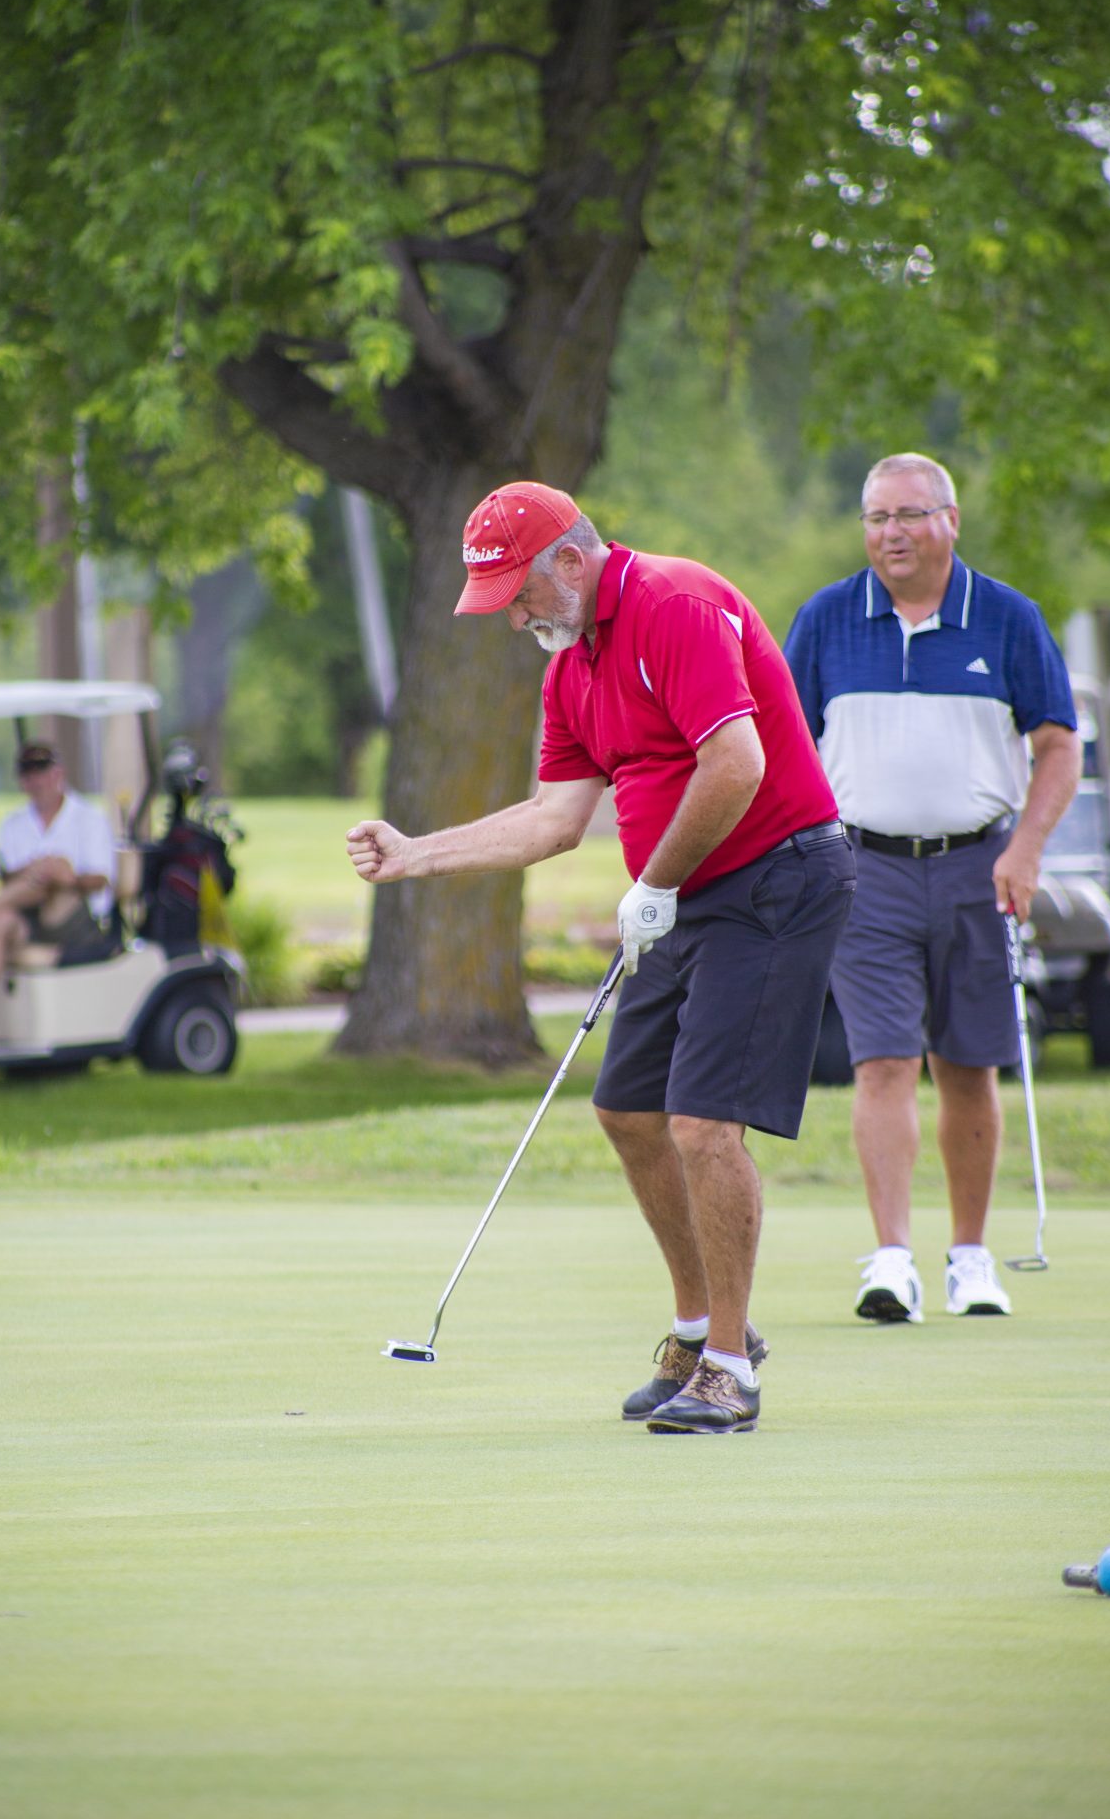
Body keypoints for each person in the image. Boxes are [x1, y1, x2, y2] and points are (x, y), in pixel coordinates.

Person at [347, 482, 855, 1435]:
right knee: (628, 1111)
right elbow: (552, 820)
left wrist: (655, 883)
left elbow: (736, 766)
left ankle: (733, 1369)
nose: (514, 618)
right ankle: (700, 1327)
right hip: (682, 896)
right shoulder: (570, 670)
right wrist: (416, 854)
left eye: (520, 595)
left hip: (777, 880)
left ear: (570, 563)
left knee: (704, 1127)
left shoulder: (673, 606)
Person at [784, 452, 1080, 1324]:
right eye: (877, 518)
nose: (891, 534)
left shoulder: (1007, 619)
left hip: (979, 867)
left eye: (908, 516)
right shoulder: (829, 619)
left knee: (968, 1063)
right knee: (882, 1061)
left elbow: (1058, 745)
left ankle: (970, 1257)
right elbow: (787, 746)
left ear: (950, 519)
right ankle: (890, 1261)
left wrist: (1026, 850)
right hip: (862, 869)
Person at [0, 741, 116, 1047]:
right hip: (29, 918)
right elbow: (9, 882)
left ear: (58, 773)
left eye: (41, 771)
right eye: (27, 773)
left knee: (52, 870)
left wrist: (60, 875)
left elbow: (99, 880)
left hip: (75, 920)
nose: (35, 780)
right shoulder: (14, 824)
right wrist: (33, 870)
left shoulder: (88, 817)